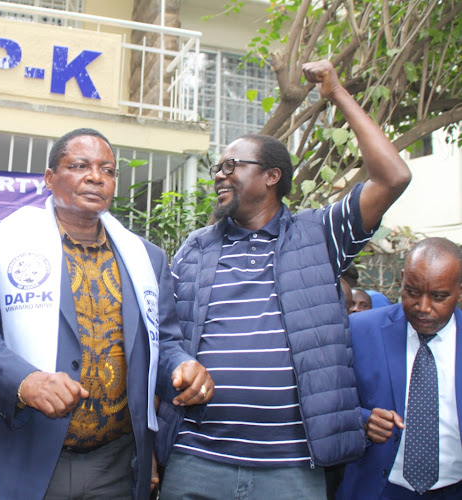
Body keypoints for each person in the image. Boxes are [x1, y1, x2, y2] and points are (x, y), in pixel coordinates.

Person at [160, 59, 412, 500]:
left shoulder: (319, 236)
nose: (219, 174)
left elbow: (393, 177)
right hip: (197, 459)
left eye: (232, 164)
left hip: (291, 469)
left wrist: (336, 94)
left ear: (272, 177)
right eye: (217, 167)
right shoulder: (196, 247)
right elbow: (165, 335)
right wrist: (180, 363)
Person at [0, 128, 213, 499]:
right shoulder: (2, 240)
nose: (95, 176)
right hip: (23, 449)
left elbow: (163, 341)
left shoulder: (145, 258)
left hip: (114, 465)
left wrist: (182, 368)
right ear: (50, 178)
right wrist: (25, 381)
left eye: (107, 169)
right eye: (80, 165)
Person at [338, 237, 462, 499]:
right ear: (403, 279)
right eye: (412, 292)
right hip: (376, 488)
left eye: (439, 296)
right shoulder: (360, 330)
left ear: (460, 290)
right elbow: (327, 399)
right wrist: (362, 420)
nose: (423, 307)